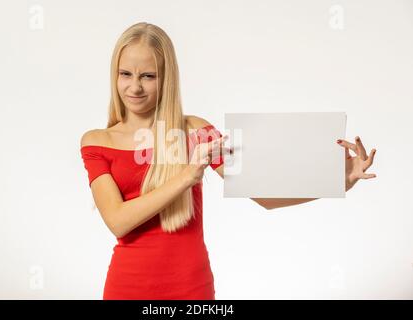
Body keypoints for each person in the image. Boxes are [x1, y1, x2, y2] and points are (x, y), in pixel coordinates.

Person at [80, 22, 377, 300]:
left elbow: (264, 196)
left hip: (190, 287)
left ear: (166, 78)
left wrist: (339, 179)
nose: (135, 87)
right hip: (126, 286)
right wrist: (186, 177)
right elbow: (117, 221)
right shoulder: (96, 141)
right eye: (125, 74)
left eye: (148, 75)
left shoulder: (196, 130)